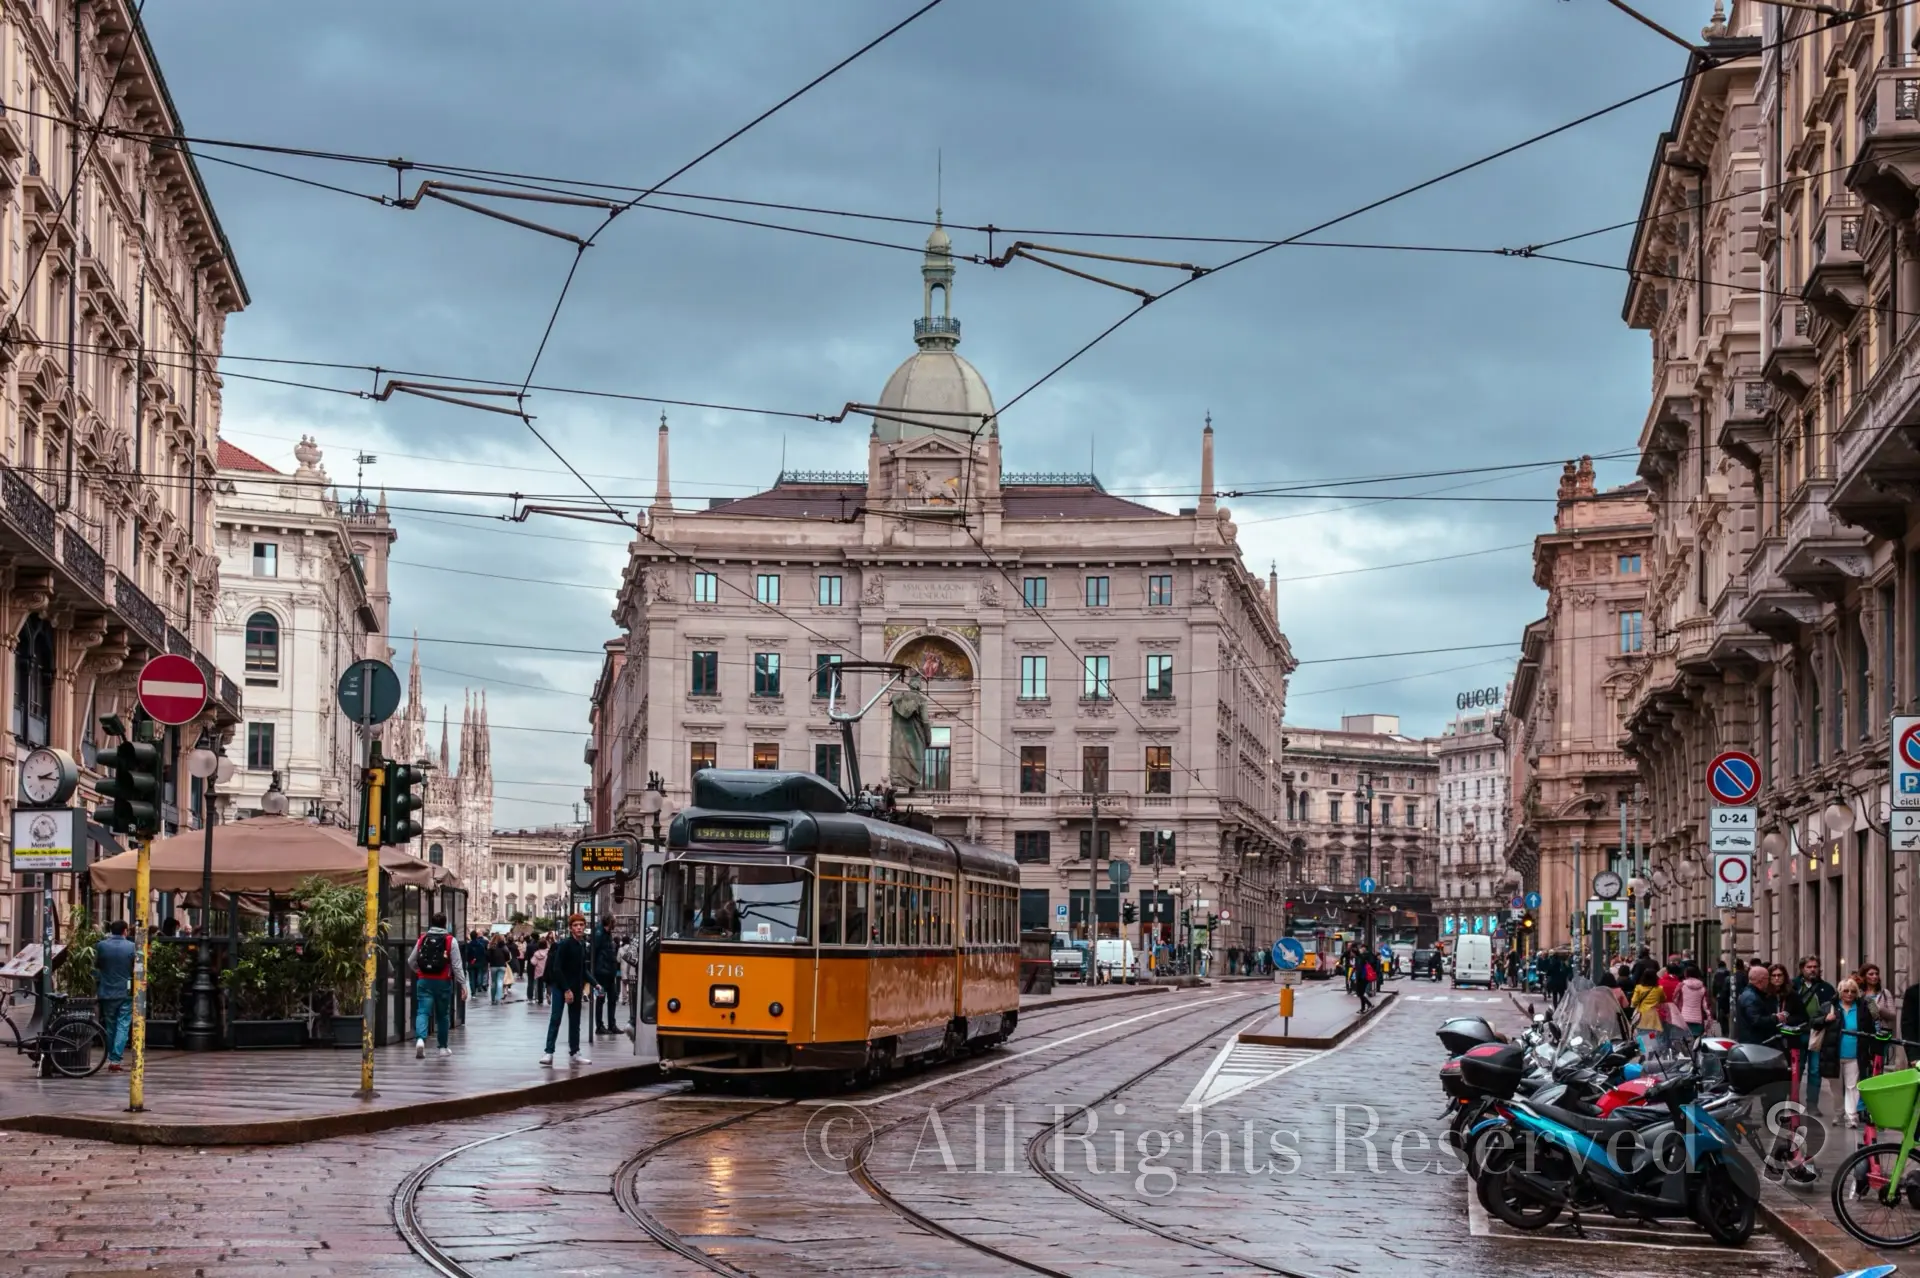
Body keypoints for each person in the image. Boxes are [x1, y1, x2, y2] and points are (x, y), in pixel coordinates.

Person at [409, 912, 467, 1058]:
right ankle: (442, 1047)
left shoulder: (422, 938)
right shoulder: (450, 940)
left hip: (424, 981)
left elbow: (411, 960)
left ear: (431, 923)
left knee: (422, 1011)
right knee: (443, 1015)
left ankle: (421, 1040)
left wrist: (420, 972)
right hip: (443, 982)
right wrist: (463, 984)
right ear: (445, 924)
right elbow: (457, 965)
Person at [542, 913, 592, 1067]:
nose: (579, 928)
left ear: (584, 927)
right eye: (576, 925)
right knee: (556, 1018)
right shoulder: (564, 944)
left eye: (581, 925)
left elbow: (583, 970)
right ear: (571, 928)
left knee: (575, 1021)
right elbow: (557, 969)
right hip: (560, 987)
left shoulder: (582, 945)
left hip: (575, 988)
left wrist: (595, 984)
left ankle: (575, 1052)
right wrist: (566, 990)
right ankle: (549, 1052)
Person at [1791, 954, 1838, 1118]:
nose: (1812, 970)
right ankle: (1794, 1102)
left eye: (1815, 967)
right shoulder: (1793, 986)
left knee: (1815, 1070)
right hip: (1797, 1033)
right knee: (1796, 1069)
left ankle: (1812, 1104)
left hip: (1818, 1033)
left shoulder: (1827, 988)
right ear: (1802, 969)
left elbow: (1833, 1009)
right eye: (1809, 967)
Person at [1827, 978, 1871, 1128]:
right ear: (1840, 992)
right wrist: (1825, 1019)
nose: (1849, 994)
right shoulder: (1830, 1007)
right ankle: (1839, 1113)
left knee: (1852, 1087)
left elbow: (1869, 1029)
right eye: (1846, 991)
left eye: (1853, 991)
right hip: (1834, 1054)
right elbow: (1814, 1022)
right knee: (1836, 1089)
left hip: (1855, 1054)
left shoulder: (1862, 1008)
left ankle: (1851, 1116)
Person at [94, 920, 135, 1073]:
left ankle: (112, 1057)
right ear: (125, 931)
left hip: (107, 990)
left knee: (110, 1026)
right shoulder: (132, 947)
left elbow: (97, 965)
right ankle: (116, 1059)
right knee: (123, 1025)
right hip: (125, 991)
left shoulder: (101, 945)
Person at [1734, 963, 1779, 1045]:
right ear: (1761, 980)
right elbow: (1756, 1020)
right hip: (1753, 1043)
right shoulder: (1751, 997)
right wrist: (1775, 1018)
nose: (1769, 981)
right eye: (1767, 978)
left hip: (1752, 1042)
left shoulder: (1751, 994)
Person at [592, 919, 620, 1034]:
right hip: (601, 973)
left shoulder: (606, 933)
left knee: (612, 998)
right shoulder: (599, 933)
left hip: (609, 973)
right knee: (600, 999)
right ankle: (599, 1026)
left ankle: (611, 1025)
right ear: (609, 923)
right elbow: (594, 951)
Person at [1677, 963, 1710, 1045]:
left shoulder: (1682, 986)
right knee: (1696, 1043)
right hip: (1697, 1019)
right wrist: (1709, 1022)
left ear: (1686, 974)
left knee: (1684, 1043)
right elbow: (1706, 1006)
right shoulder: (1702, 988)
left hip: (1684, 1018)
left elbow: (1676, 1000)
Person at [487, 932, 511, 1005]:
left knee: (493, 982)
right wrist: (504, 960)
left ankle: (493, 998)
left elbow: (487, 957)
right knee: (500, 981)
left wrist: (490, 961)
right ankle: (498, 998)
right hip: (502, 966)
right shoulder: (504, 947)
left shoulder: (491, 947)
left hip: (493, 966)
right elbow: (508, 956)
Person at [1711, 960, 1733, 1033]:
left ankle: (1724, 1029)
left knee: (1720, 1011)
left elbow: (1714, 985)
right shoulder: (1729, 973)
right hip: (1728, 995)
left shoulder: (1716, 974)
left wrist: (1714, 995)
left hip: (1719, 995)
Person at [530, 935, 550, 1007]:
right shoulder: (549, 952)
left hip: (539, 972)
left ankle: (540, 1000)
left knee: (540, 986)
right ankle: (548, 994)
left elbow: (533, 962)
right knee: (548, 984)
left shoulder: (536, 953)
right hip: (547, 970)